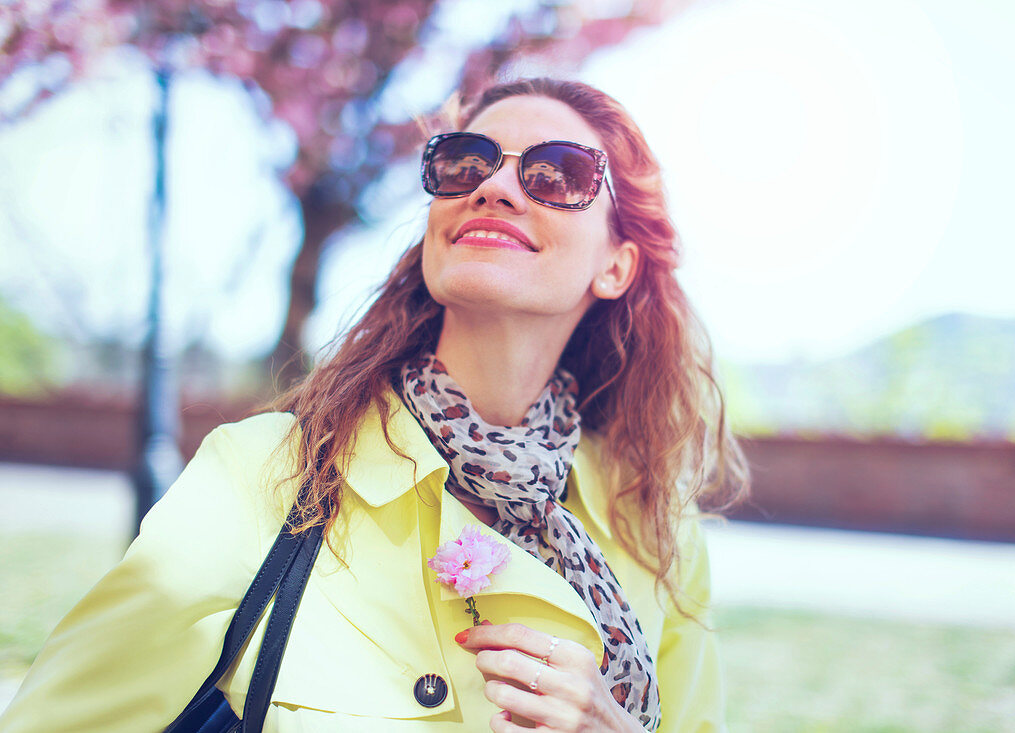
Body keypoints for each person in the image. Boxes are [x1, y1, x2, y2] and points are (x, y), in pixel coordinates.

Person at [0, 77, 748, 732]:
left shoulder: (654, 524)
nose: (495, 187)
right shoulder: (266, 474)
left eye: (558, 174)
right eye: (467, 163)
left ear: (616, 265)